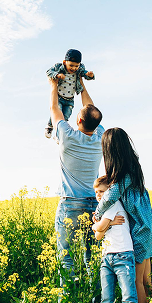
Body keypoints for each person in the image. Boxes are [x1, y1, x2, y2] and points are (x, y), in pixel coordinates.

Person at [49, 74, 120, 280]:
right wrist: (81, 85)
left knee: (66, 258)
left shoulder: (67, 135)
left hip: (70, 204)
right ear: (96, 124)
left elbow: (55, 109)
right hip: (93, 204)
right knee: (93, 257)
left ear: (78, 120)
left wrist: (54, 85)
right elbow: (92, 111)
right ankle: (94, 299)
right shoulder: (100, 138)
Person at [92, 127, 152, 303]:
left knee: (137, 282)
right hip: (148, 227)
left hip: (139, 231)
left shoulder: (122, 177)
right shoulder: (134, 169)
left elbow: (110, 196)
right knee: (146, 280)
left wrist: (97, 214)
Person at [92, 176, 141, 303]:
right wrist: (111, 223)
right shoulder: (103, 210)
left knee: (129, 300)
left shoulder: (112, 204)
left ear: (110, 191)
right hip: (107, 257)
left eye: (101, 191)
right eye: (96, 192)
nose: (98, 195)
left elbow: (99, 229)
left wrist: (96, 225)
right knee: (106, 301)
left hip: (122, 255)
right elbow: (98, 237)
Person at [45, 49, 95, 138]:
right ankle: (50, 126)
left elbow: (84, 74)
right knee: (57, 113)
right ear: (65, 62)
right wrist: (57, 75)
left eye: (76, 66)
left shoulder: (79, 70)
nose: (73, 68)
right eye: (71, 65)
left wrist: (90, 75)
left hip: (70, 99)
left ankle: (59, 136)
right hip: (59, 97)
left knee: (65, 117)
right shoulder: (58, 67)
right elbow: (49, 72)